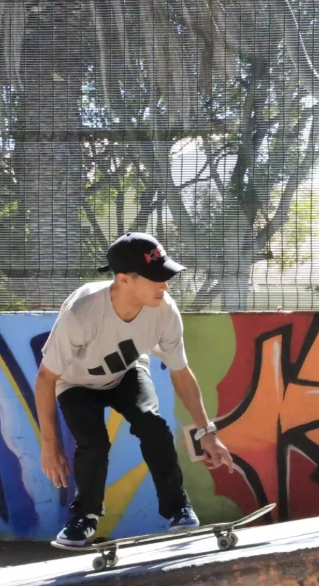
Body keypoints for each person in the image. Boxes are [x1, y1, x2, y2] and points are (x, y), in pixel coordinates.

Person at [34, 231, 234, 547]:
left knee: (152, 425)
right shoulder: (83, 312)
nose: (165, 286)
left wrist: (207, 431)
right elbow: (46, 378)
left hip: (126, 372)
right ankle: (85, 517)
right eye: (156, 278)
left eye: (166, 277)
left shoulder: (165, 310)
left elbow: (181, 374)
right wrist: (48, 444)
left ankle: (177, 506)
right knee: (93, 442)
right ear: (125, 280)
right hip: (75, 383)